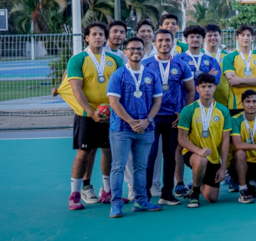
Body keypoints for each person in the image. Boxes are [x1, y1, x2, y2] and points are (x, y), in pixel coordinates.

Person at [62, 22, 122, 210]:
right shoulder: (77, 60)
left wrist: (115, 110)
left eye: (101, 34)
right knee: (83, 153)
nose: (98, 37)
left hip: (111, 114)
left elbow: (121, 87)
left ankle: (107, 190)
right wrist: (91, 112)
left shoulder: (115, 60)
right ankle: (75, 194)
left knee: (108, 152)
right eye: (94, 34)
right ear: (87, 38)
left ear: (105, 38)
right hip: (86, 114)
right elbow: (76, 90)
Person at [104, 36, 163, 218]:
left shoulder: (152, 75)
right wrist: (131, 121)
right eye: (132, 49)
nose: (136, 52)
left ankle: (141, 201)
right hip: (122, 129)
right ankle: (116, 204)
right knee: (118, 166)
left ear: (144, 52)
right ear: (126, 52)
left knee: (141, 167)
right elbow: (114, 103)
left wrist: (148, 120)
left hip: (145, 128)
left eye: (139, 49)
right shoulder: (118, 75)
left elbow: (157, 101)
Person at [145, 28, 195, 206]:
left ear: (173, 43)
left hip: (173, 118)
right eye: (160, 40)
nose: (164, 43)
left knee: (170, 156)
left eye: (167, 40)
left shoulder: (181, 65)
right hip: (152, 118)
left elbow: (191, 90)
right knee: (150, 156)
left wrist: (183, 112)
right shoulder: (146, 64)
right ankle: (144, 195)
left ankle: (166, 194)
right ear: (155, 43)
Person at [177, 72, 231, 208]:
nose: (207, 90)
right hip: (193, 153)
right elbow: (181, 139)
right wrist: (198, 151)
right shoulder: (188, 110)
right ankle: (194, 193)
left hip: (213, 157)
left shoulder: (223, 111)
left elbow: (226, 141)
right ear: (197, 89)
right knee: (201, 160)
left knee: (212, 198)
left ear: (215, 88)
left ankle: (198, 184)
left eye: (210, 86)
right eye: (203, 87)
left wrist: (223, 167)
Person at [203, 24, 232, 108]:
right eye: (209, 35)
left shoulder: (228, 56)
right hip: (204, 98)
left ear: (220, 37)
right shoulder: (200, 55)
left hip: (224, 99)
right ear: (204, 38)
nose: (213, 38)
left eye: (215, 35)